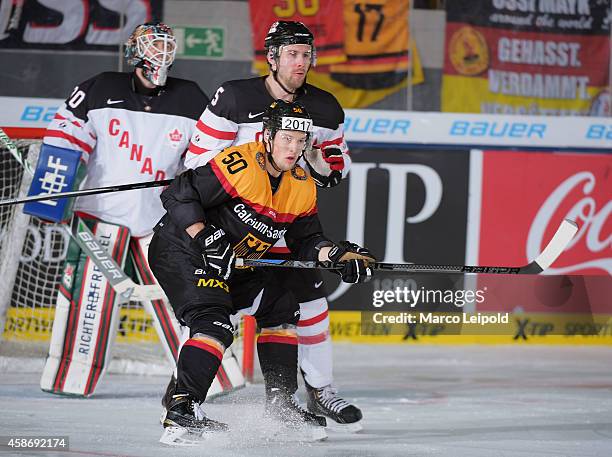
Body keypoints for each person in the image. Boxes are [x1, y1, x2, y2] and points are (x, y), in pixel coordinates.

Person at [149, 100, 374, 445]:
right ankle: (182, 411)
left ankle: (281, 405)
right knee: (214, 323)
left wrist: (337, 255)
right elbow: (178, 194)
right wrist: (204, 235)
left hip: (237, 262)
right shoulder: (238, 163)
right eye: (287, 138)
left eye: (301, 141)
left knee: (282, 308)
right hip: (182, 250)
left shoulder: (301, 182)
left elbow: (307, 240)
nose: (294, 147)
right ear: (268, 136)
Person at [182, 20, 363, 430]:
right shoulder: (234, 97)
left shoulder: (326, 107)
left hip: (286, 223)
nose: (301, 63)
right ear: (273, 56)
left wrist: (323, 165)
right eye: (293, 54)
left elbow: (336, 165)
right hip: (231, 226)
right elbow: (196, 161)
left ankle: (320, 392)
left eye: (306, 54)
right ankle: (184, 395)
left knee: (311, 304)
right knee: (212, 311)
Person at [38, 23, 209, 397]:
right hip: (101, 213)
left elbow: (203, 159)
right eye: (153, 43)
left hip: (160, 220)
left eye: (166, 44)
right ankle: (72, 378)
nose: (161, 51)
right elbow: (65, 139)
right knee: (88, 300)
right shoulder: (100, 87)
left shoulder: (192, 97)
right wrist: (50, 196)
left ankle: (208, 379)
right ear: (134, 50)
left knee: (184, 296)